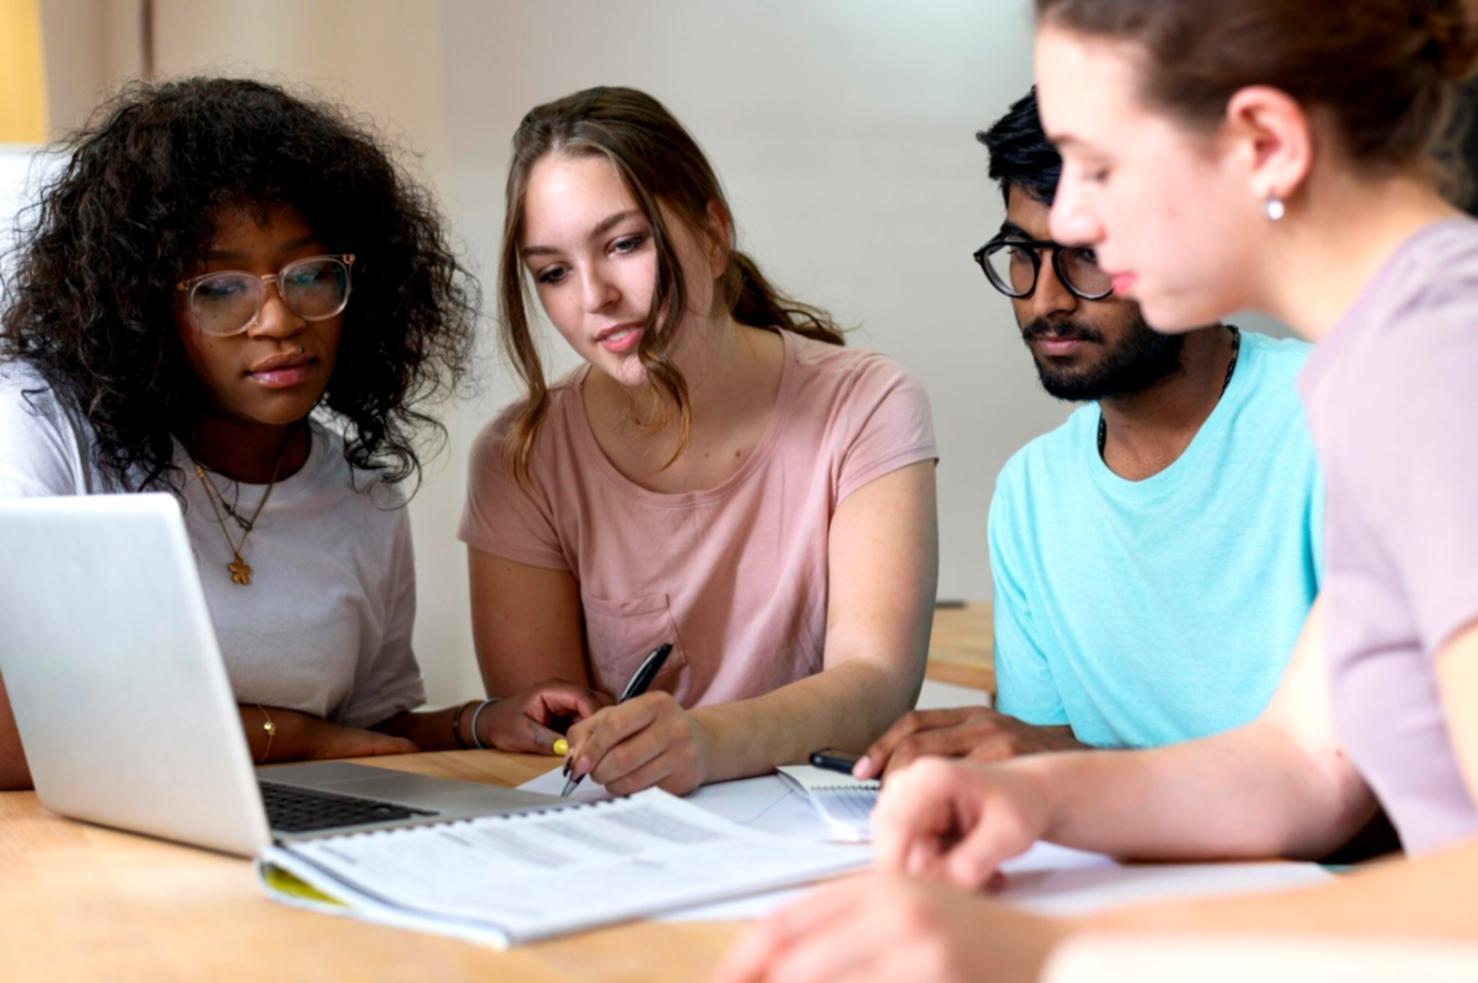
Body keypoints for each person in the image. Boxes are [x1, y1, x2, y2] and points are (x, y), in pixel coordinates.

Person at [718, 1, 1478, 979]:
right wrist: (1038, 797)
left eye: (1098, 164)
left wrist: (1047, 946)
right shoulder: (1380, 359)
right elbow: (1300, 762)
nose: (1067, 219)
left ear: (1261, 142)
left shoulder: (1438, 361)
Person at [0, 78, 603, 791]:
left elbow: (367, 734)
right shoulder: (42, 425)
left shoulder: (360, 497)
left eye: (311, 275)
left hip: (287, 844)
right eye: (220, 288)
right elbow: (15, 740)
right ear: (138, 306)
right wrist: (287, 733)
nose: (281, 321)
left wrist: (478, 720)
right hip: (74, 856)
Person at [459, 85, 938, 796]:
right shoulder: (519, 458)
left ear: (713, 236)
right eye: (554, 272)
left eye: (624, 244)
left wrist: (706, 740)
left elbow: (876, 686)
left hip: (816, 841)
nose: (594, 297)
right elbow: (549, 741)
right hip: (627, 847)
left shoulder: (866, 404)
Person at [857, 89, 1320, 778]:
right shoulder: (1031, 495)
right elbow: (1045, 773)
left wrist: (1071, 764)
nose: (1046, 300)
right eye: (1022, 254)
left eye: (1088, 253)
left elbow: (1399, 792)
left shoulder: (1328, 413)